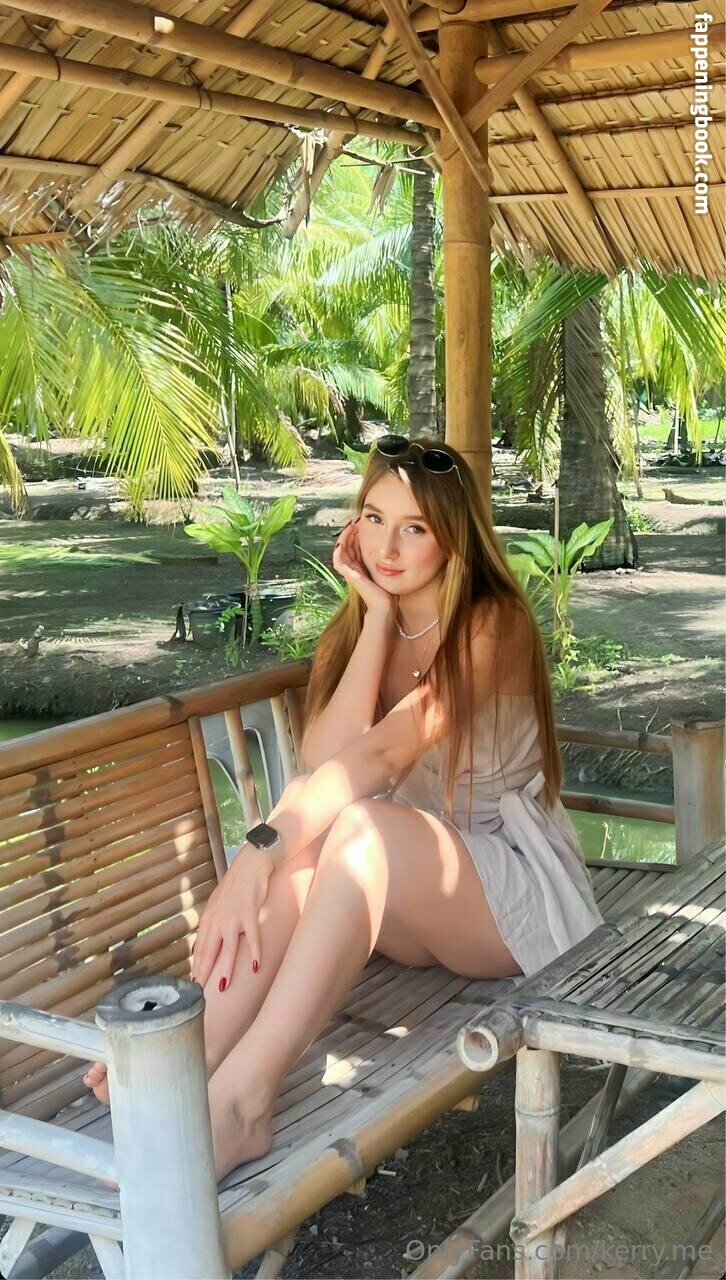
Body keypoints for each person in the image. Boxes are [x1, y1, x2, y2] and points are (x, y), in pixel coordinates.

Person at [84, 435, 603, 1179]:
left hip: (510, 896)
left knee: (348, 830)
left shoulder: (494, 625)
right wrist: (377, 617)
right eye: (374, 519)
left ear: (453, 536)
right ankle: (185, 1057)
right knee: (302, 858)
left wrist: (253, 854)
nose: (387, 547)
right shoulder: (367, 626)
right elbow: (326, 764)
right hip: (407, 890)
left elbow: (383, 757)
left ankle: (242, 1102)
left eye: (414, 528)